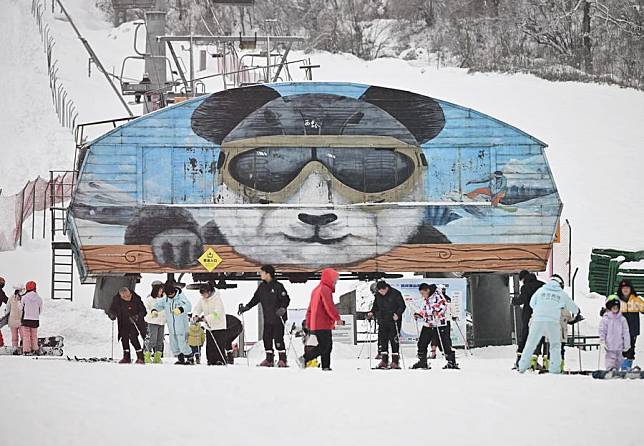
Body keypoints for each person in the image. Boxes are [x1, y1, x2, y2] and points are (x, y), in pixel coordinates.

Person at [517, 274, 580, 374]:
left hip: (537, 320)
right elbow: (574, 308)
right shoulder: (561, 293)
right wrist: (577, 312)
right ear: (560, 284)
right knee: (555, 345)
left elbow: (532, 303)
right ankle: (555, 369)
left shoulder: (541, 291)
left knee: (531, 343)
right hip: (552, 322)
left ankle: (522, 366)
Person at [238, 265, 291, 367]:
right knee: (266, 338)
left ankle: (282, 360)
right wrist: (247, 307)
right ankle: (269, 359)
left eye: (262, 272)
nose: (260, 274)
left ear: (268, 274)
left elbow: (286, 299)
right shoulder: (262, 287)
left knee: (278, 339)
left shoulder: (278, 286)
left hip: (278, 318)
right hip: (267, 318)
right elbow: (255, 299)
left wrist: (283, 308)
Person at [299, 268, 343, 370]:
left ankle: (326, 367)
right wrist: (337, 318)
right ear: (330, 278)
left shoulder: (316, 290)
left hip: (316, 324)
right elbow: (329, 306)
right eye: (335, 279)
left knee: (327, 346)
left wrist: (309, 323)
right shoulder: (325, 290)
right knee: (324, 346)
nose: (336, 282)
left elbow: (310, 308)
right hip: (323, 323)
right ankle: (305, 359)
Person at [412, 283, 459, 369]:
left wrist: (437, 312)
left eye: (423, 293)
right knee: (422, 343)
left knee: (444, 344)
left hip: (439, 324)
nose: (422, 295)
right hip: (428, 324)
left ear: (428, 290)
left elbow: (443, 306)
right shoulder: (426, 299)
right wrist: (419, 314)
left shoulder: (438, 296)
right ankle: (422, 361)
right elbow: (424, 309)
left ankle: (451, 361)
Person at [151, 282, 193, 364]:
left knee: (183, 343)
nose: (170, 296)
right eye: (168, 295)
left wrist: (181, 309)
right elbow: (158, 304)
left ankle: (189, 358)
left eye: (171, 294)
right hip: (171, 326)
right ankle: (180, 358)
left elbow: (188, 306)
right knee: (174, 344)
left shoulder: (181, 297)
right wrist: (154, 310)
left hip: (181, 326)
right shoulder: (166, 299)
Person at [367, 281, 406, 369]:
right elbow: (375, 306)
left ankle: (395, 361)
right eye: (379, 291)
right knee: (383, 340)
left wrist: (398, 314)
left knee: (394, 340)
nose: (381, 293)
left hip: (393, 320)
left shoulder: (396, 293)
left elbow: (402, 306)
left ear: (386, 288)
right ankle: (384, 360)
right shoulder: (378, 295)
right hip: (382, 320)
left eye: (382, 291)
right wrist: (372, 312)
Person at [512, 270, 546, 369]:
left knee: (525, 336)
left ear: (523, 279)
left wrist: (514, 300)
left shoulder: (525, 287)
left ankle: (520, 360)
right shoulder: (543, 285)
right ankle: (534, 360)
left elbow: (521, 300)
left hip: (528, 315)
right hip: (541, 315)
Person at [107, 287, 147, 364]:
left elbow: (143, 311)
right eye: (124, 297)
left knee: (133, 338)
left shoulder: (136, 299)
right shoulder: (117, 300)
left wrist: (137, 316)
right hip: (123, 322)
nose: (127, 298)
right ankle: (126, 357)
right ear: (120, 296)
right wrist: (112, 314)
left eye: (128, 296)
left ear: (130, 294)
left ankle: (140, 357)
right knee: (124, 339)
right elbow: (111, 309)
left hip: (134, 322)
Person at [193, 283, 227, 365]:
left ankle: (220, 360)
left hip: (219, 326)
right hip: (209, 326)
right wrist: (195, 316)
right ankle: (210, 360)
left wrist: (207, 318)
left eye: (204, 293)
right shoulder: (202, 300)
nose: (203, 295)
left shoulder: (217, 299)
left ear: (209, 292)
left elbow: (217, 313)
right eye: (202, 294)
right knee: (210, 345)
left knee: (218, 344)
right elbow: (197, 308)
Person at [615, 279, 644, 370]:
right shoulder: (617, 300)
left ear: (631, 289)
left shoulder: (636, 300)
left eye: (627, 288)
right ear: (620, 289)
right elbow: (609, 309)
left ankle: (626, 367)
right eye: (623, 288)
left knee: (631, 348)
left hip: (632, 329)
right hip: (620, 329)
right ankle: (619, 366)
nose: (625, 290)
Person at [599, 295, 631, 371]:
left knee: (619, 360)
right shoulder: (606, 319)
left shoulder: (622, 319)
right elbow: (602, 330)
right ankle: (610, 369)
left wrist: (627, 343)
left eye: (617, 307)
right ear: (609, 307)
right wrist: (602, 341)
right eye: (613, 307)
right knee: (610, 359)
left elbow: (625, 332)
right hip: (609, 346)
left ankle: (617, 370)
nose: (615, 308)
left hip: (620, 346)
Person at [143, 281, 165, 364]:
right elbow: (146, 310)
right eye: (160, 290)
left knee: (159, 341)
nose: (161, 292)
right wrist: (152, 313)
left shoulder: (163, 299)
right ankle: (146, 356)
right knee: (152, 340)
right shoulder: (150, 299)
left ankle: (157, 357)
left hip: (161, 322)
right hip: (152, 322)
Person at [20, 281, 43, 356]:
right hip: (35, 320)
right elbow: (40, 310)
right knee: (34, 336)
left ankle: (26, 351)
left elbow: (21, 308)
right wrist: (35, 315)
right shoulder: (39, 298)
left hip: (26, 319)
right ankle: (35, 349)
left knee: (26, 336)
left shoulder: (24, 297)